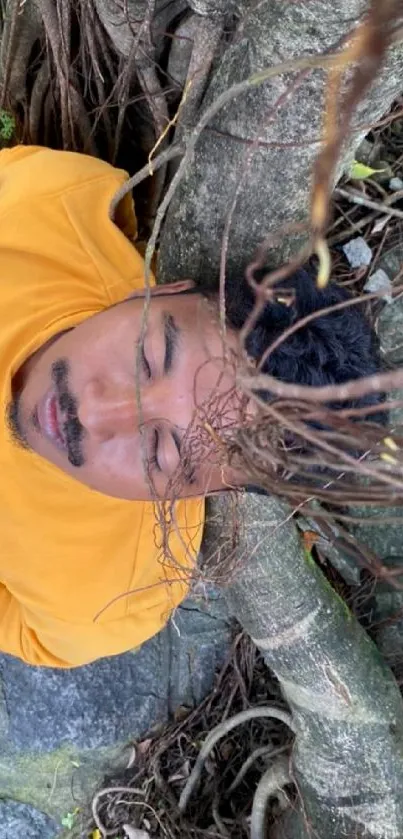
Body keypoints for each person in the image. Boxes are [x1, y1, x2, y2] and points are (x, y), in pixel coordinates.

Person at [0, 145, 381, 668]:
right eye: (144, 359)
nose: (91, 414)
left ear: (208, 492)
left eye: (159, 449)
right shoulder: (39, 208)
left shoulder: (103, 603)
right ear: (161, 291)